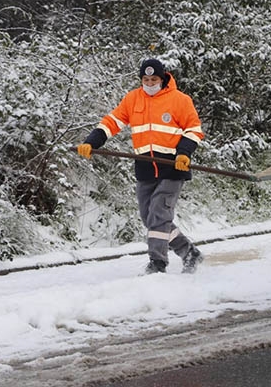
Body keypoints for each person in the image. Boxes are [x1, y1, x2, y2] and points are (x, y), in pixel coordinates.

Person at [77, 58, 205, 274]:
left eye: (154, 79)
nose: (149, 83)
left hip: (172, 167)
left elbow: (194, 130)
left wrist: (184, 153)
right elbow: (112, 122)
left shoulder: (180, 100)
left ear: (163, 78)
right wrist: (92, 141)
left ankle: (157, 262)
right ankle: (189, 252)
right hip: (145, 167)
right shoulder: (133, 99)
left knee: (159, 214)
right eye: (145, 79)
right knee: (150, 218)